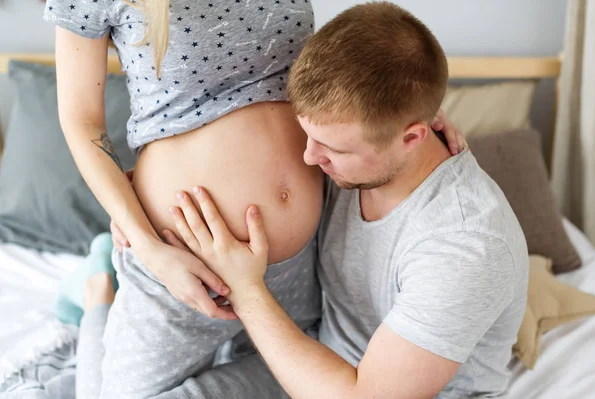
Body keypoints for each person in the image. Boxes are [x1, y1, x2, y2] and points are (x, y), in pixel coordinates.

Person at [44, 0, 467, 398]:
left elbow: (340, 57)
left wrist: (407, 101)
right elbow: (81, 122)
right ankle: (98, 296)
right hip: (182, 260)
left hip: (299, 256)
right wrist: (149, 248)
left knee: (303, 378)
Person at [166, 3, 529, 399]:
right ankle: (101, 288)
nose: (309, 157)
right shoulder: (360, 145)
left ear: (412, 138)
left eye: (332, 148)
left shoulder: (465, 245)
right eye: (309, 135)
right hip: (321, 357)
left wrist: (245, 288)